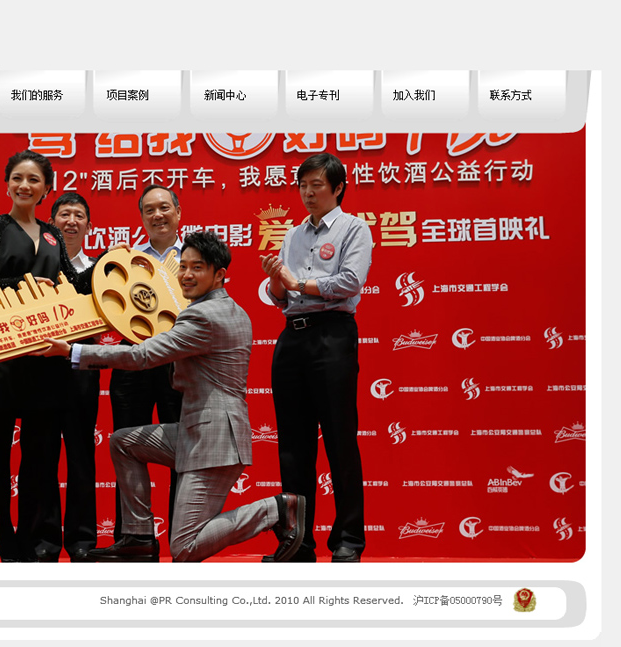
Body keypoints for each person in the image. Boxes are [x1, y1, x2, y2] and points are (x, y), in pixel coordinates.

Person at [37, 231, 306, 563]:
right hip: (200, 430)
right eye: (184, 266)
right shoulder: (231, 309)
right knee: (124, 442)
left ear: (219, 274)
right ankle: (138, 536)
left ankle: (275, 509)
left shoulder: (202, 316)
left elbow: (142, 356)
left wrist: (73, 351)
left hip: (213, 442)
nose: (187, 275)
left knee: (184, 548)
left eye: (198, 268)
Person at [0, 151, 94, 562]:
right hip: (3, 354)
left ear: (46, 189)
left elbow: (72, 285)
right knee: (0, 448)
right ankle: (5, 536)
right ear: (7, 184)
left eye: (34, 180)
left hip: (45, 360)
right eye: (18, 178)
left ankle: (34, 541)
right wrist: (25, 285)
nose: (25, 186)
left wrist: (109, 267)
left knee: (39, 456)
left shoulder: (52, 234)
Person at [259, 152, 372, 563]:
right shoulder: (292, 235)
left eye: (316, 185)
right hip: (293, 337)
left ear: (338, 188)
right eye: (303, 185)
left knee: (340, 439)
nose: (308, 193)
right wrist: (276, 282)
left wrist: (297, 283)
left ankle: (348, 539)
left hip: (332, 336)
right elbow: (281, 296)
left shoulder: (354, 228)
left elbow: (350, 281)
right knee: (292, 446)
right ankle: (297, 541)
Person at [108, 184, 184, 549]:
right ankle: (133, 538)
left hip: (180, 363)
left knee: (184, 453)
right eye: (149, 210)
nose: (158, 215)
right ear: (141, 217)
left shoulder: (196, 258)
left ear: (178, 213)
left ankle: (185, 539)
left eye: (164, 207)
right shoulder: (129, 262)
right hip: (133, 360)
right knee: (126, 446)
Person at [47, 192, 101, 562]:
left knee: (82, 455)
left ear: (89, 225)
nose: (71, 221)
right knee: (43, 455)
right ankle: (45, 540)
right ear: (51, 223)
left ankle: (82, 540)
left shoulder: (100, 269)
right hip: (41, 369)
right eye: (64, 214)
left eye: (78, 215)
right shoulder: (38, 265)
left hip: (82, 365)